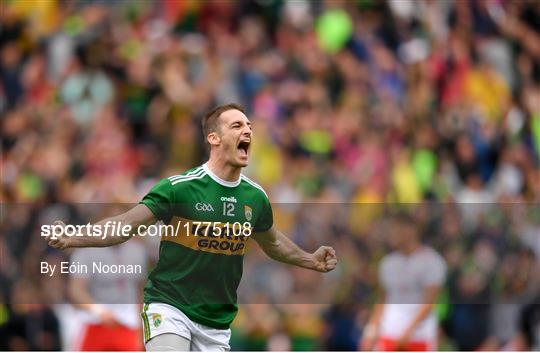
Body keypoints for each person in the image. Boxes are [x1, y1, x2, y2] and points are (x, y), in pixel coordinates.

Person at [47, 103, 338, 351]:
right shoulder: (179, 189)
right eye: (236, 126)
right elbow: (125, 225)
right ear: (213, 137)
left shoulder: (255, 198)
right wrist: (73, 236)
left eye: (249, 126)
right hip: (170, 307)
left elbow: (273, 243)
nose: (247, 131)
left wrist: (310, 259)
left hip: (216, 321)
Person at [361, 213, 446, 351]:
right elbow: (383, 298)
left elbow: (429, 301)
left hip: (419, 337)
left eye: (396, 229)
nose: (391, 234)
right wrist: (371, 330)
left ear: (410, 230)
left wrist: (408, 332)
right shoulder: (388, 262)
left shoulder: (432, 261)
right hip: (389, 333)